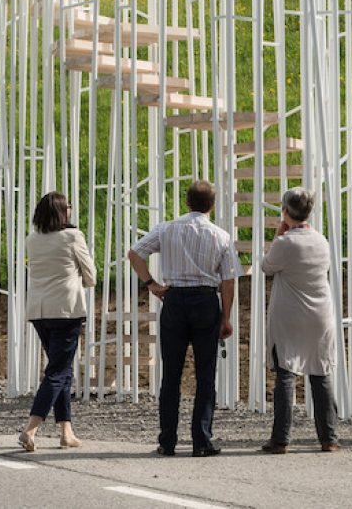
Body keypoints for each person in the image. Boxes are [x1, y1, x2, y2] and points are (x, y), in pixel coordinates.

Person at [126, 180, 240, 457]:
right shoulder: (221, 236)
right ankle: (201, 440)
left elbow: (134, 253)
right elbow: (228, 282)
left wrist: (151, 283)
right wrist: (226, 317)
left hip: (174, 299)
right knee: (205, 373)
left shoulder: (167, 228)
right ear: (212, 206)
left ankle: (167, 441)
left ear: (187, 202)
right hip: (205, 301)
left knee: (171, 374)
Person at [258, 188, 340, 454]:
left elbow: (267, 267)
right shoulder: (321, 240)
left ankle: (281, 438)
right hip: (321, 313)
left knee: (286, 371)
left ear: (285, 210)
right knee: (321, 371)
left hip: (290, 314)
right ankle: (329, 437)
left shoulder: (285, 243)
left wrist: (278, 234)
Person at [19, 191, 97, 452]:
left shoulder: (33, 239)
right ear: (62, 212)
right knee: (57, 372)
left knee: (62, 369)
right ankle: (31, 427)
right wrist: (80, 281)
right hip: (66, 309)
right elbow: (91, 275)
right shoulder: (73, 236)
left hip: (40, 311)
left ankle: (66, 430)